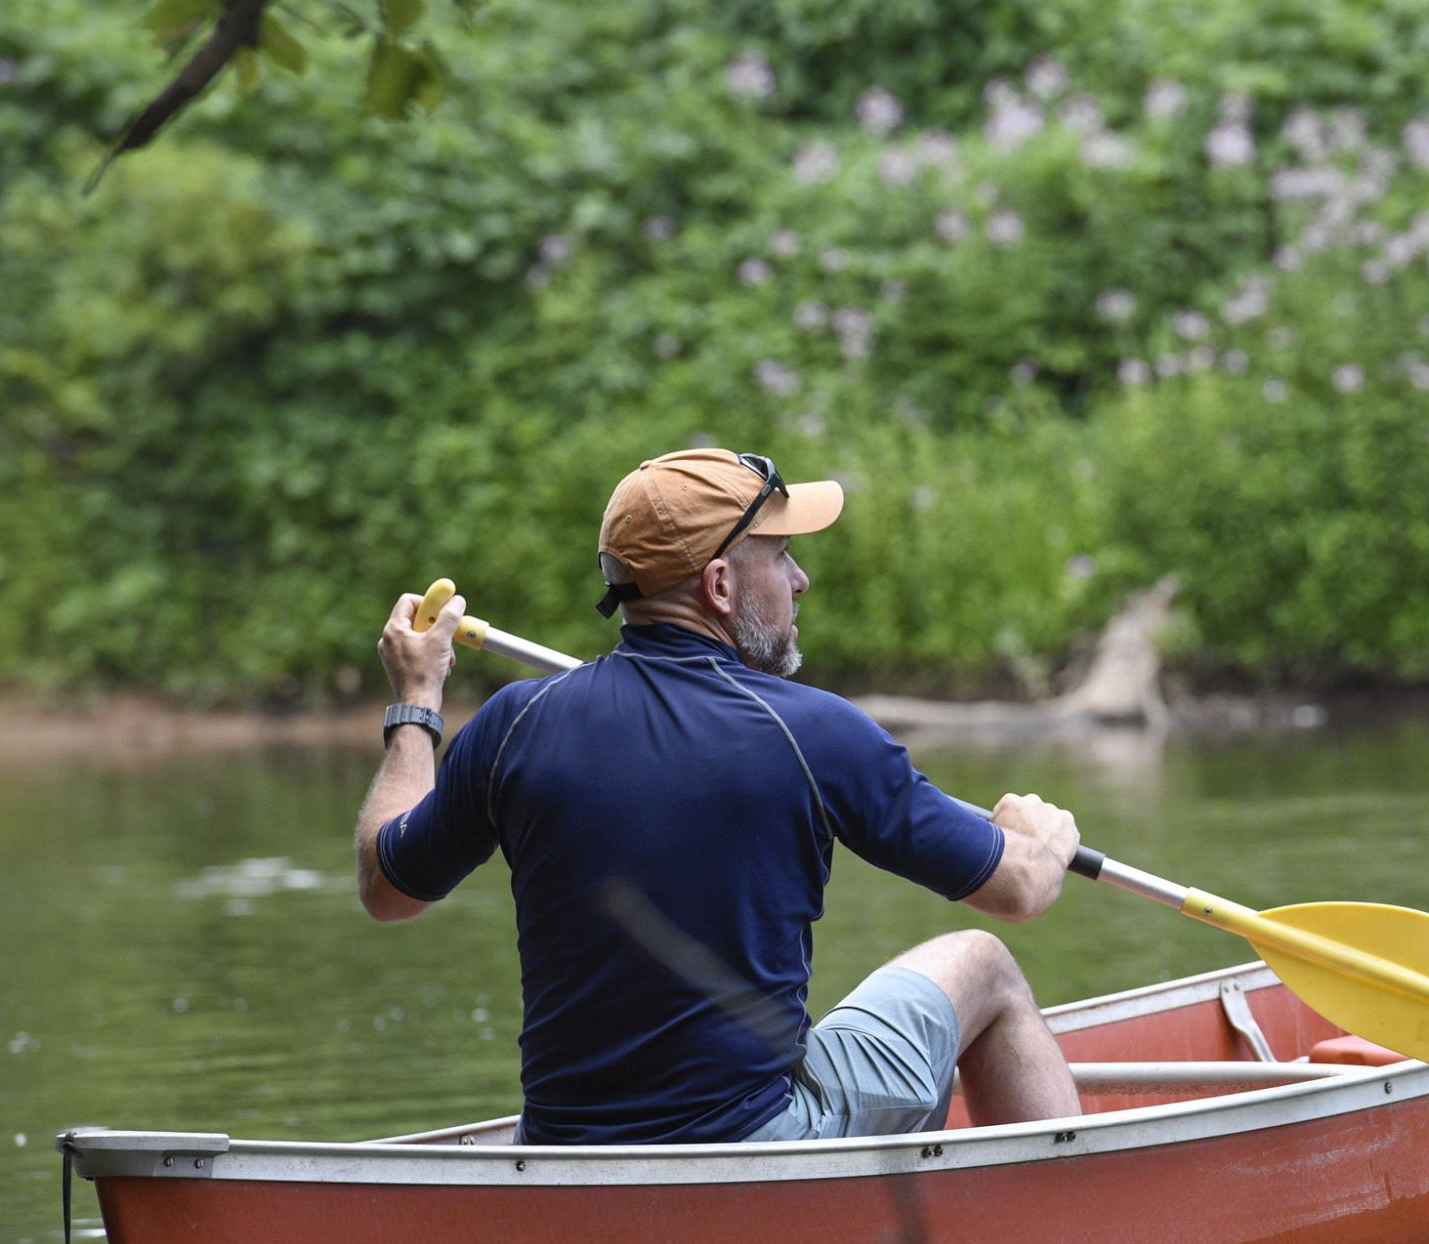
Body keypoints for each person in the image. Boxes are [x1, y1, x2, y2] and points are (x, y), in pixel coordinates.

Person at [351, 446, 1086, 1145]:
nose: (801, 581)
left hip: (559, 1149)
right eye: (780, 556)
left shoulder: (514, 725)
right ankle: (1061, 1230)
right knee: (985, 963)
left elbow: (387, 888)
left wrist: (418, 700)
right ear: (720, 586)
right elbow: (1019, 891)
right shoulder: (815, 733)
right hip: (757, 1144)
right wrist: (1039, 838)